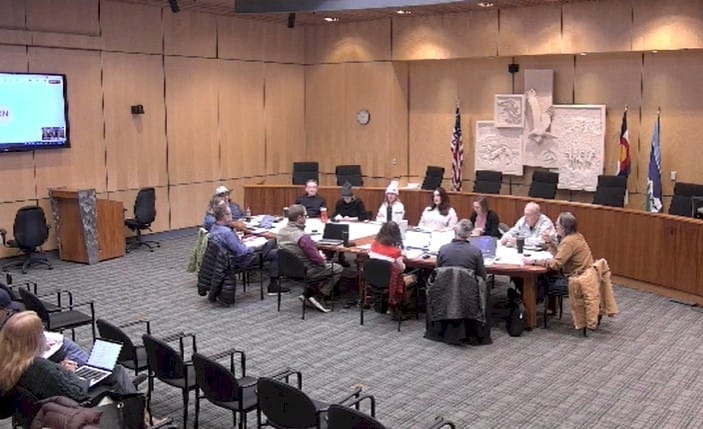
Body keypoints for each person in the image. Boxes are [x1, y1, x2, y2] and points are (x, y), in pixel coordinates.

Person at [0, 311, 136, 404]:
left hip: (42, 407)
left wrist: (59, 369)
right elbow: (77, 393)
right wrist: (69, 373)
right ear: (33, 340)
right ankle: (137, 409)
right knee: (116, 370)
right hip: (77, 404)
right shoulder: (39, 367)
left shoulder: (8, 361)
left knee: (106, 371)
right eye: (41, 332)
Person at [209, 204, 288, 295]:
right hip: (241, 260)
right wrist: (254, 248)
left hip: (225, 260)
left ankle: (274, 281)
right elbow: (242, 252)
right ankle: (273, 285)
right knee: (274, 246)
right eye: (230, 214)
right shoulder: (227, 233)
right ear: (225, 216)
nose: (232, 216)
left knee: (272, 248)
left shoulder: (214, 228)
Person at [277, 204, 343, 313]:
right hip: (306, 270)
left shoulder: (281, 231)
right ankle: (317, 296)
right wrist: (321, 257)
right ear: (299, 218)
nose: (306, 218)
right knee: (337, 268)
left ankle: (309, 292)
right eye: (305, 216)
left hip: (288, 269)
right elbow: (318, 261)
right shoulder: (303, 237)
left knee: (324, 265)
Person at [0, 290, 89, 366]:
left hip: (49, 347)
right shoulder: (12, 326)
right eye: (7, 311)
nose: (10, 313)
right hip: (41, 356)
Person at [524, 212, 594, 296]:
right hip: (585, 278)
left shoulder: (568, 242)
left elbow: (556, 265)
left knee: (538, 283)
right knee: (543, 277)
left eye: (557, 225)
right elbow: (559, 255)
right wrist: (549, 242)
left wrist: (534, 261)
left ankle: (527, 302)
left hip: (577, 282)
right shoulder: (577, 236)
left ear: (563, 228)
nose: (556, 226)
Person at [368, 222, 411, 315]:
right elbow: (402, 268)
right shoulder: (395, 251)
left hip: (372, 279)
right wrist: (401, 257)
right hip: (389, 282)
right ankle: (403, 306)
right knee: (414, 276)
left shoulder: (374, 245)